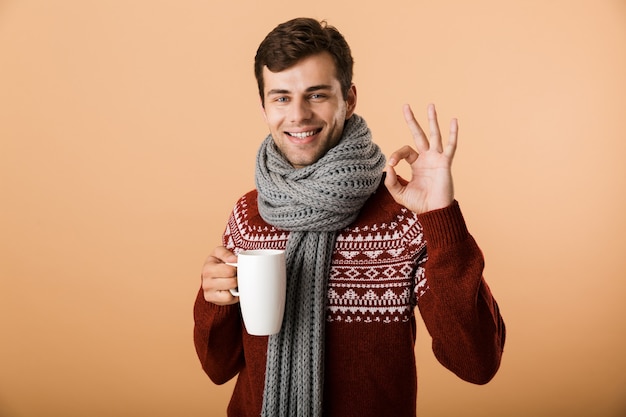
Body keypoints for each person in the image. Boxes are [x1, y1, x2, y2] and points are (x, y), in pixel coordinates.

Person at [193, 17, 505, 417]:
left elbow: (477, 362)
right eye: (282, 97)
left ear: (350, 98)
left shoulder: (404, 214)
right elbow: (217, 367)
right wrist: (214, 301)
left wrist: (441, 218)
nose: (299, 115)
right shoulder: (248, 213)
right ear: (264, 107)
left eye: (317, 94)